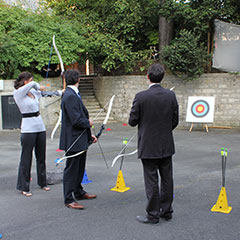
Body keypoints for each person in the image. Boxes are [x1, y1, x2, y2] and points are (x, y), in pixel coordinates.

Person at [128, 63, 179, 224]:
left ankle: (153, 214)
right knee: (167, 179)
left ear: (148, 77)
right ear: (162, 77)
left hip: (148, 145)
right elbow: (174, 120)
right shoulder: (170, 95)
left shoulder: (141, 96)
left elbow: (132, 121)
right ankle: (167, 210)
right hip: (165, 144)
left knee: (151, 181)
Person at [13, 71, 62, 197]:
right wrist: (36, 84)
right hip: (28, 129)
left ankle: (43, 182)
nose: (33, 82)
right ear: (25, 82)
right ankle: (24, 187)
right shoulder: (18, 93)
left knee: (41, 156)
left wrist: (61, 91)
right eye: (31, 80)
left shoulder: (34, 92)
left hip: (40, 127)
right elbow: (34, 84)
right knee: (26, 158)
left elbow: (47, 93)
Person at [59, 69, 97, 210]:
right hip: (73, 139)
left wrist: (89, 135)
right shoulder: (70, 95)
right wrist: (89, 123)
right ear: (78, 79)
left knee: (80, 167)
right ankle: (69, 198)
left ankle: (79, 191)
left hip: (79, 137)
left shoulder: (72, 94)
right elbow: (76, 120)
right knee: (72, 168)